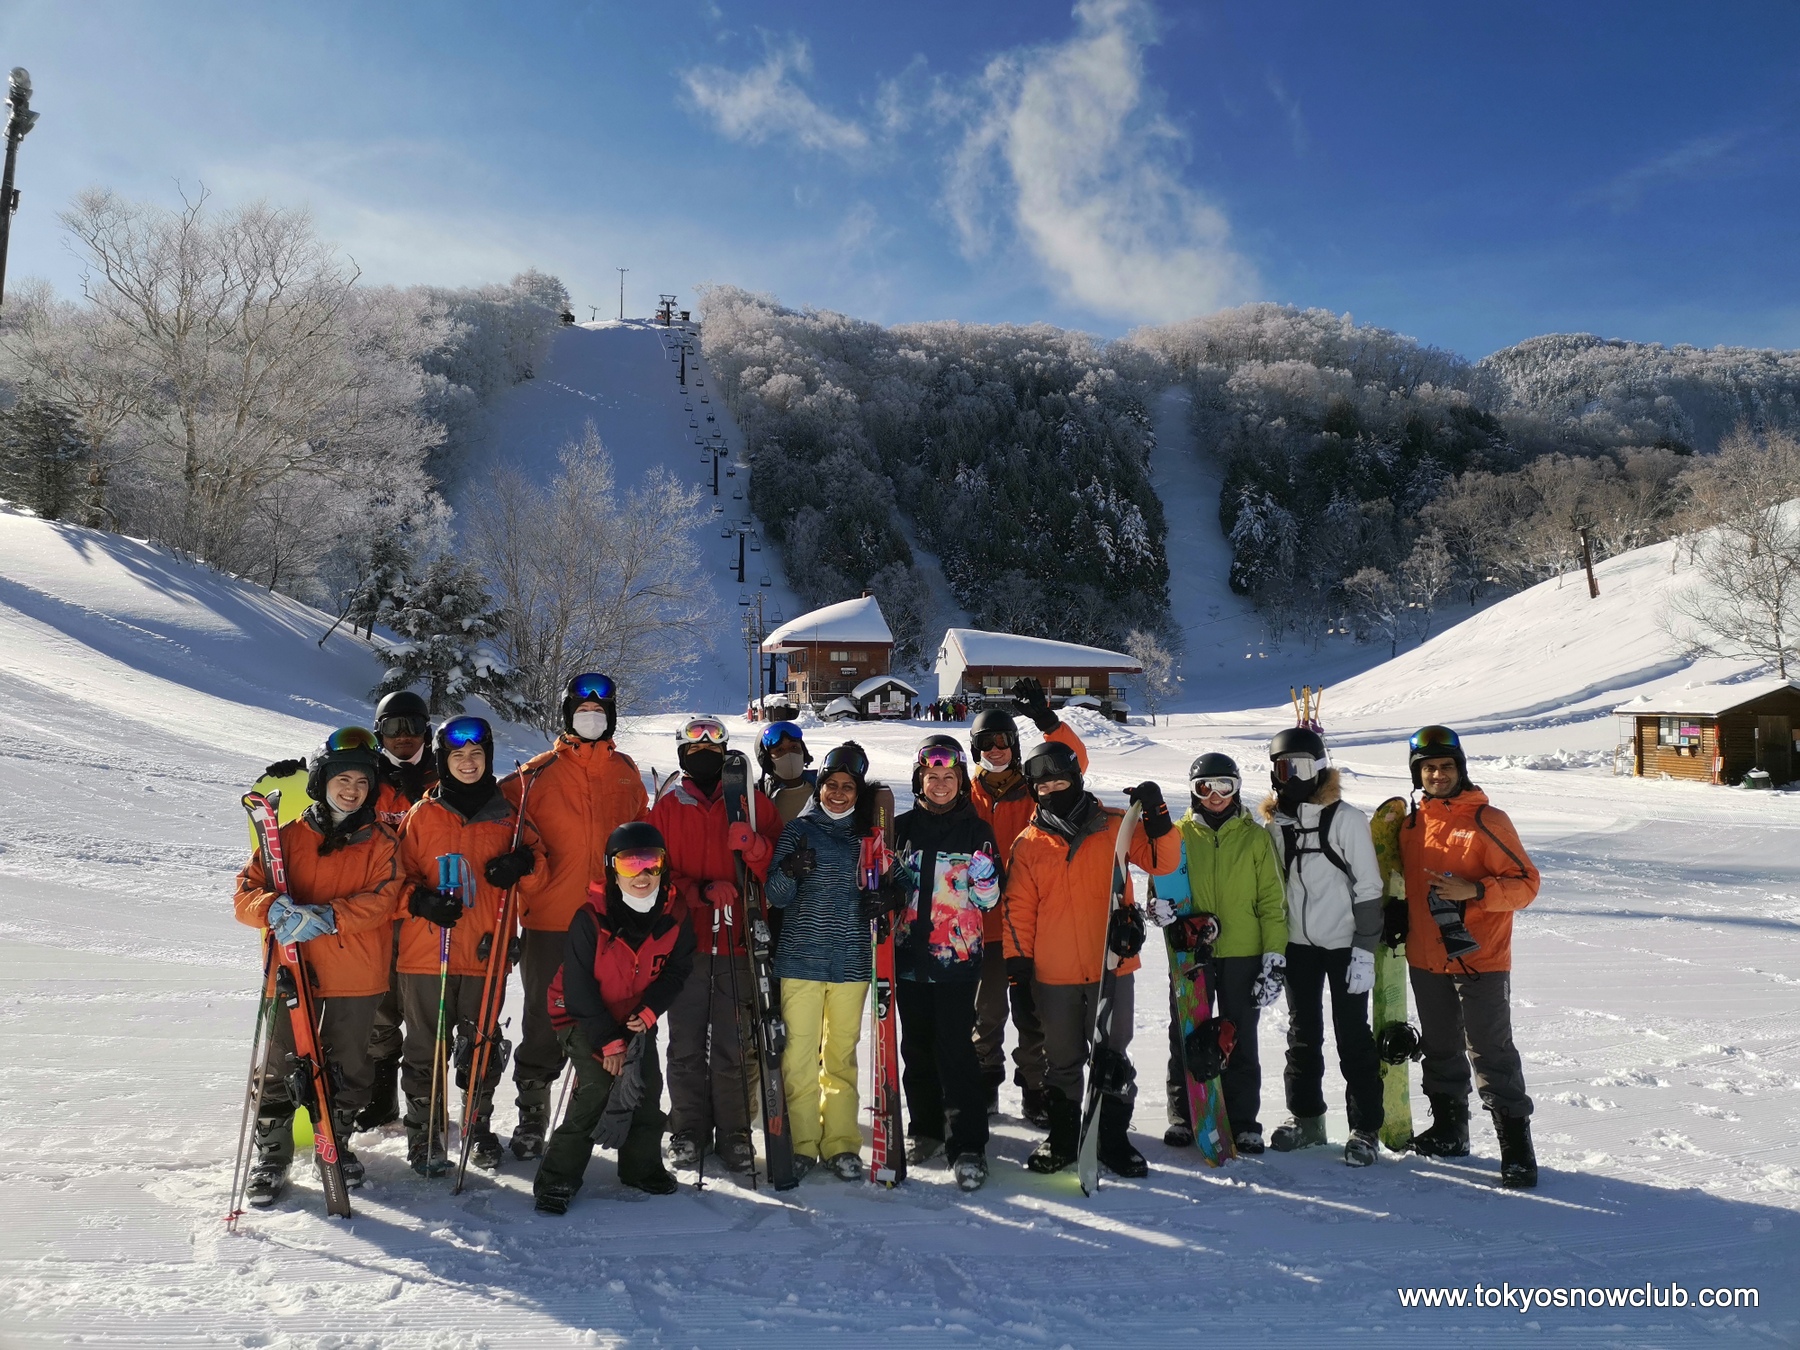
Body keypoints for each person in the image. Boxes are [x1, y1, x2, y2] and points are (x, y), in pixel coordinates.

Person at [232, 727, 405, 1206]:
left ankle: (338, 1141)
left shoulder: (383, 843)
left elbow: (384, 900)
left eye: (362, 783)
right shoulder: (283, 839)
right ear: (322, 780)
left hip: (357, 974)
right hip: (292, 970)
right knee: (278, 1063)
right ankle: (272, 1153)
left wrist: (328, 918)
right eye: (342, 779)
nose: (352, 790)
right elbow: (244, 894)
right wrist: (271, 909)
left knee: (349, 1065)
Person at [1003, 741, 1178, 1177]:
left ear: (1077, 779)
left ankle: (1112, 1139)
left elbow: (1163, 860)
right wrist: (1019, 970)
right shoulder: (1028, 845)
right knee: (1060, 1061)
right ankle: (1064, 1138)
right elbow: (1018, 910)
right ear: (1033, 790)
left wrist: (1156, 815)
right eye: (1043, 786)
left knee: (1113, 1056)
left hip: (1112, 966)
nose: (1053, 790)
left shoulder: (1116, 827)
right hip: (1054, 973)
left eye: (1061, 781)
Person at [502, 673, 648, 1160]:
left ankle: (601, 1109)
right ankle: (532, 1111)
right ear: (567, 716)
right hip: (550, 918)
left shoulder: (627, 773)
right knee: (545, 1017)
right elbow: (497, 826)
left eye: (599, 710)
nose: (591, 716)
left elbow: (643, 843)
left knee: (607, 1019)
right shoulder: (534, 777)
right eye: (581, 709)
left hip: (613, 923)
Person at [394, 716, 547, 1175]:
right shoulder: (422, 815)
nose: (467, 763)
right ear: (443, 760)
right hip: (426, 954)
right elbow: (391, 881)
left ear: (488, 759)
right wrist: (418, 901)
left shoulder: (510, 816)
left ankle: (476, 1128)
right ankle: (425, 1133)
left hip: (487, 951)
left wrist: (523, 864)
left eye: (476, 755)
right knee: (425, 1046)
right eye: (457, 755)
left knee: (481, 1043)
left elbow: (542, 875)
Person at [1400, 725, 1542, 1188]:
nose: (1438, 774)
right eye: (1429, 768)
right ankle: (1449, 1132)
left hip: (1479, 958)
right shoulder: (1409, 823)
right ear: (1418, 773)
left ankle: (1516, 1149)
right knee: (1439, 1048)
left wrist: (1476, 890)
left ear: (1460, 769)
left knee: (1490, 1050)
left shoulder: (1487, 820)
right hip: (1425, 956)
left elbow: (1526, 885)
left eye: (1446, 766)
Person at [533, 822, 695, 1213]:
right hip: (579, 1013)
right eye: (629, 865)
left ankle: (640, 1168)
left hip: (634, 1014)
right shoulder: (590, 918)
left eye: (651, 864)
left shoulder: (675, 913)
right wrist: (607, 1039)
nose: (641, 875)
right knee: (597, 1085)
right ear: (612, 869)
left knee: (646, 1085)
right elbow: (578, 986)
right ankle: (557, 1178)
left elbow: (676, 971)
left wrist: (650, 1009)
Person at [649, 716, 783, 1175]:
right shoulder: (667, 807)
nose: (702, 752)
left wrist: (756, 848)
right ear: (682, 754)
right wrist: (698, 891)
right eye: (694, 746)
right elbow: (652, 874)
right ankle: (688, 1128)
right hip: (686, 942)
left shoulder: (751, 803)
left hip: (737, 941)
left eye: (713, 746)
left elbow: (780, 875)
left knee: (731, 1044)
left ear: (725, 752)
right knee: (685, 1043)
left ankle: (734, 1131)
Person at [1145, 753, 1287, 1154]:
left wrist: (1274, 957)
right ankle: (1184, 1115)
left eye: (1224, 785)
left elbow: (1273, 902)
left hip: (1243, 951)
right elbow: (1160, 888)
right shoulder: (1178, 835)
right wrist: (1158, 908)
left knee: (1239, 1037)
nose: (1215, 795)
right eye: (1204, 787)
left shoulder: (1256, 838)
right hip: (1193, 951)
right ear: (1193, 792)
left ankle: (1243, 1121)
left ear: (1237, 787)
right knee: (1186, 1033)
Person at [764, 742, 894, 1180]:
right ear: (819, 788)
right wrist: (789, 872)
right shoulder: (798, 832)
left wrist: (888, 897)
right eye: (830, 785)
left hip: (851, 962)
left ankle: (840, 1143)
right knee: (799, 1055)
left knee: (840, 1056)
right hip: (801, 960)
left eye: (847, 787)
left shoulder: (868, 838)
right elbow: (775, 897)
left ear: (859, 792)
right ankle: (801, 1142)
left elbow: (898, 883)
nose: (838, 793)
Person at [1259, 727, 1386, 1166]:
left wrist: (1365, 950)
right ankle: (1307, 1119)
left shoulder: (1346, 818)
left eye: (1304, 767)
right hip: (1298, 946)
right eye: (1283, 767)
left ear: (1321, 768)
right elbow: (1270, 888)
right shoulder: (1275, 825)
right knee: (1302, 1034)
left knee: (1353, 1036)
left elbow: (1369, 887)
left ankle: (1365, 1127)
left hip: (1343, 945)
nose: (1293, 776)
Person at [881, 735, 1001, 1191]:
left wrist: (986, 878)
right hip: (908, 957)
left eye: (949, 777)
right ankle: (926, 1130)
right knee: (916, 1048)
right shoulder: (903, 826)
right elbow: (886, 879)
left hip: (958, 958)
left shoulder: (977, 830)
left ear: (960, 782)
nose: (940, 785)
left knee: (956, 1049)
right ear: (920, 779)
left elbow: (989, 901)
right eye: (932, 777)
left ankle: (968, 1145)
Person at [969, 678, 1087, 1124]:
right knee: (987, 1012)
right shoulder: (966, 792)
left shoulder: (1038, 786)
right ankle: (984, 1081)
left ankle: (1035, 1087)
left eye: (1003, 742)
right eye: (986, 742)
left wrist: (1047, 721)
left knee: (1034, 1014)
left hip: (1035, 923)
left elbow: (1078, 762)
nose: (996, 750)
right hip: (983, 926)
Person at [359, 688, 440, 1131]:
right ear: (379, 733)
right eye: (393, 727)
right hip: (376, 914)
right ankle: (381, 1097)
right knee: (379, 1009)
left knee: (426, 1016)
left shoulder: (443, 776)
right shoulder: (364, 778)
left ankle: (427, 1105)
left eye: (413, 727)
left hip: (425, 916)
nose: (403, 736)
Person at [755, 720, 817, 824]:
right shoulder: (758, 797)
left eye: (794, 747)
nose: (789, 754)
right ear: (766, 760)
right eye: (779, 750)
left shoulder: (825, 786)